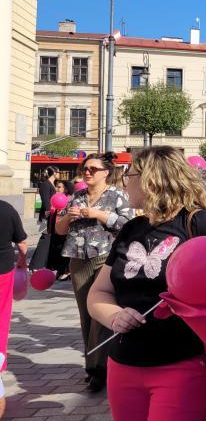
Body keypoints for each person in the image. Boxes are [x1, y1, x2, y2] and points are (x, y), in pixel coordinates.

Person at [87, 146, 206, 421]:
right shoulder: (131, 229)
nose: (124, 179)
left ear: (152, 178)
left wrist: (198, 291)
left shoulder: (198, 222)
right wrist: (114, 316)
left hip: (181, 364)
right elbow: (99, 293)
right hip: (123, 364)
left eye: (130, 173)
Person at [54, 152, 134, 392]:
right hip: (78, 260)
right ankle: (94, 364)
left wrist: (98, 214)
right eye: (85, 168)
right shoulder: (77, 196)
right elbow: (59, 230)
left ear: (106, 172)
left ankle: (99, 369)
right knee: (86, 314)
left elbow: (127, 224)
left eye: (93, 169)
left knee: (101, 313)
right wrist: (69, 215)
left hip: (105, 258)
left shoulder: (117, 195)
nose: (87, 172)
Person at [0, 200, 27, 418]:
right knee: (1, 317)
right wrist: (22, 261)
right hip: (2, 272)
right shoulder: (6, 208)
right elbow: (23, 243)